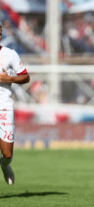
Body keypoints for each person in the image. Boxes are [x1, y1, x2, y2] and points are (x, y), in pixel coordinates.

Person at [0, 22, 31, 185]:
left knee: (7, 154)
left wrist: (9, 78)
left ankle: (4, 166)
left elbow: (25, 77)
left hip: (4, 108)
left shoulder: (10, 54)